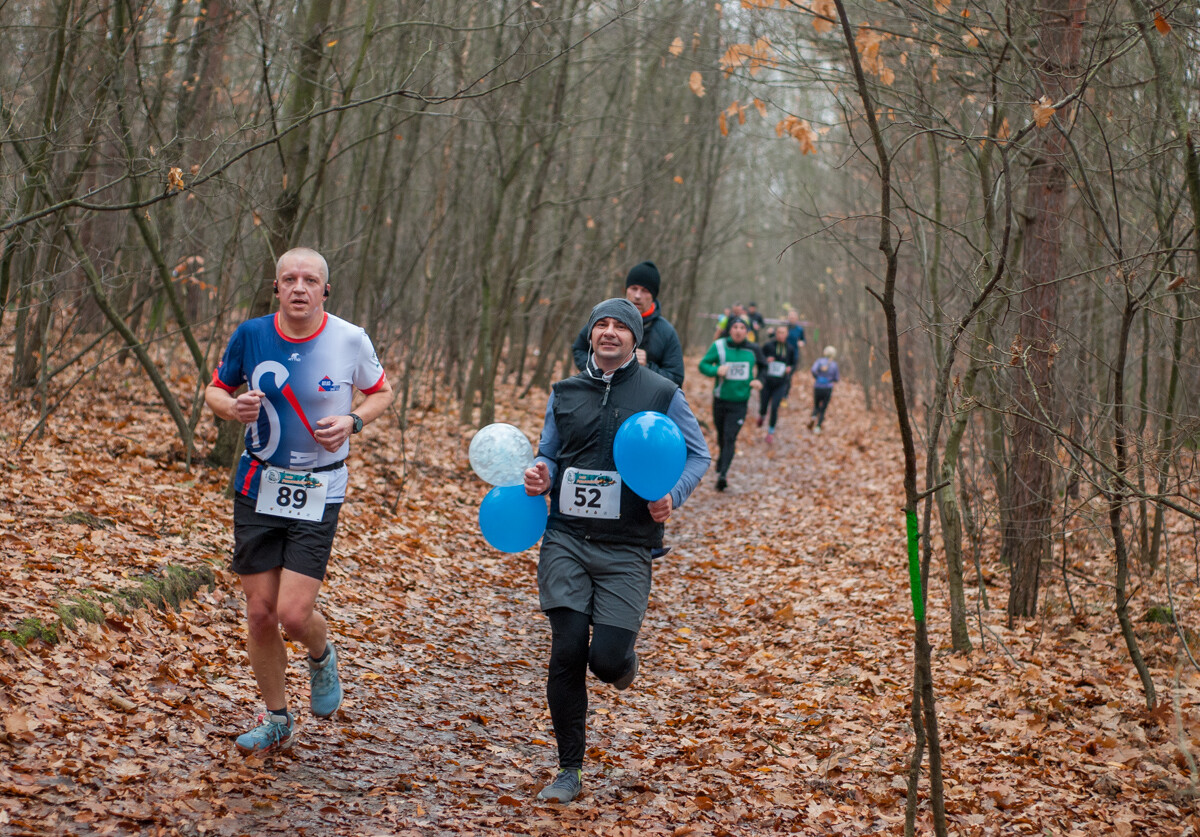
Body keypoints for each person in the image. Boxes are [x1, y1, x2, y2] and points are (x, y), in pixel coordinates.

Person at [205, 247, 395, 756]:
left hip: (320, 488)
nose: (299, 288)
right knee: (260, 613)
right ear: (276, 287)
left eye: (309, 280)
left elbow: (381, 392)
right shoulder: (251, 335)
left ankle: (321, 651)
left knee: (292, 613)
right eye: (289, 279)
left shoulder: (350, 338)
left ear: (324, 289)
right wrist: (233, 407)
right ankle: (276, 717)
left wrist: (354, 420)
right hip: (257, 486)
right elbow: (215, 390)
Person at [525, 298, 711, 803]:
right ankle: (569, 769)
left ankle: (621, 663)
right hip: (566, 536)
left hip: (628, 546)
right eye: (600, 325)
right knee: (566, 648)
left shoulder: (662, 392)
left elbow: (699, 455)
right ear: (590, 336)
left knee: (604, 660)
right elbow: (549, 451)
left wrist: (673, 495)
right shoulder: (565, 392)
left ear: (635, 338)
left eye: (619, 326)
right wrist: (541, 473)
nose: (609, 332)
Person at [572, 261, 685, 385]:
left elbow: (676, 378)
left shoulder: (666, 331)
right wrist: (600, 371)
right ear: (626, 290)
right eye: (634, 288)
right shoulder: (605, 318)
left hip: (645, 401)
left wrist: (647, 367)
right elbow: (579, 349)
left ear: (653, 296)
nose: (637, 295)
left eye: (645, 290)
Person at [698, 317, 762, 491]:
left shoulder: (753, 349)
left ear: (747, 331)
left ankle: (722, 475)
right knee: (721, 436)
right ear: (730, 329)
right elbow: (702, 365)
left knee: (730, 436)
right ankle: (722, 457)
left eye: (743, 327)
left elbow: (764, 367)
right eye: (735, 327)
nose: (739, 330)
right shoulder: (719, 346)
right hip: (720, 400)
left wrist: (758, 380)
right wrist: (716, 370)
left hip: (740, 402)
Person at [756, 324, 796, 443]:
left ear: (787, 334)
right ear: (776, 333)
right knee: (764, 405)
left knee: (774, 408)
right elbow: (759, 360)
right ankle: (762, 415)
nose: (781, 335)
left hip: (781, 383)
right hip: (767, 382)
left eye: (783, 332)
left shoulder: (790, 348)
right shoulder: (768, 346)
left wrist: (790, 369)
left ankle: (770, 432)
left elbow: (794, 363)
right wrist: (766, 360)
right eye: (779, 332)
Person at [809, 346, 840, 435]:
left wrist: (817, 377)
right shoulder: (834, 364)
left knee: (816, 405)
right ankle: (818, 427)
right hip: (828, 388)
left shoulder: (819, 361)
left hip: (818, 386)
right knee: (823, 408)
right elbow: (837, 378)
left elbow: (813, 370)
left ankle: (814, 416)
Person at [782, 309, 806, 404]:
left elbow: (803, 340)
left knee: (789, 376)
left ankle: (785, 395)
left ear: (796, 318)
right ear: (788, 318)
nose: (792, 319)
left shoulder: (800, 329)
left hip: (793, 355)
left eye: (793, 317)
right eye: (790, 317)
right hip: (782, 354)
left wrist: (802, 343)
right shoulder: (784, 328)